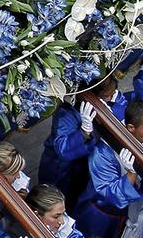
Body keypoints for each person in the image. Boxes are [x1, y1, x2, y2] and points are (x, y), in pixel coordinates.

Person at [74, 98, 143, 238]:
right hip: (101, 215)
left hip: (134, 213)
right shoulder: (104, 152)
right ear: (131, 127)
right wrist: (132, 174)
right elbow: (109, 195)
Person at [41, 75, 124, 206]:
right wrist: (84, 132)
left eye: (112, 94)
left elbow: (124, 106)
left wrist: (113, 109)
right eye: (106, 96)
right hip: (63, 169)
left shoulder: (109, 98)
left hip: (87, 165)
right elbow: (63, 149)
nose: (110, 98)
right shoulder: (66, 112)